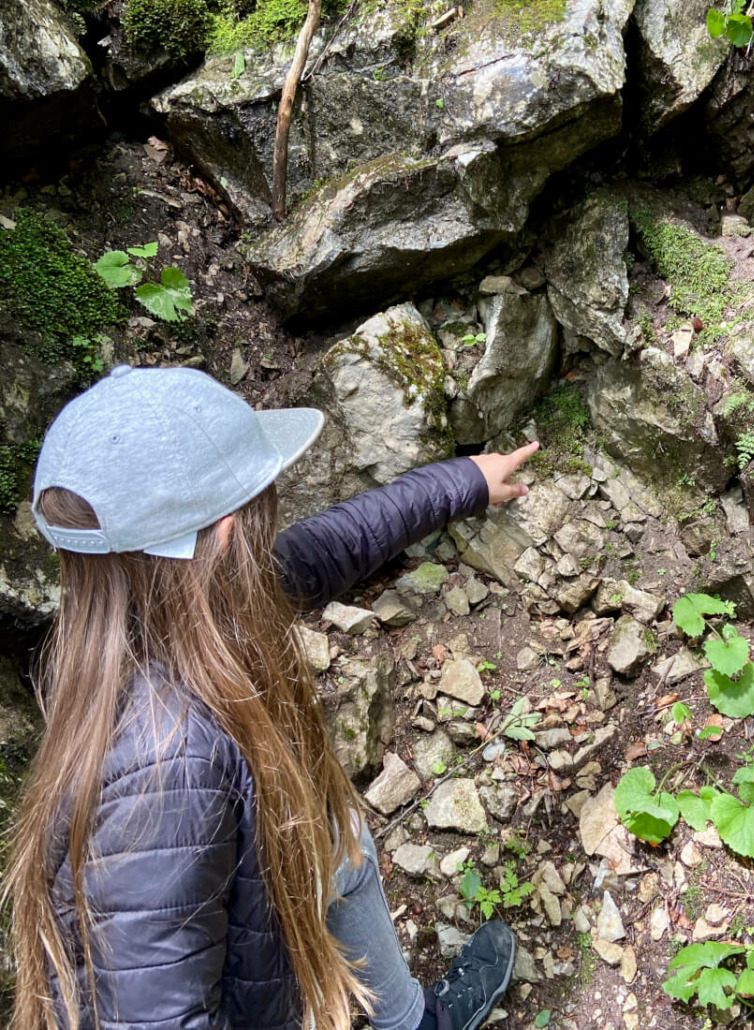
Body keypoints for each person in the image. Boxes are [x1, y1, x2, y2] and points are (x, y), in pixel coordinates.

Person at [5, 364, 540, 1030]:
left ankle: (412, 1022)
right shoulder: (164, 771)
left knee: (344, 844)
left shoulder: (148, 623)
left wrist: (461, 482)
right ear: (229, 534)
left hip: (280, 865)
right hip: (267, 985)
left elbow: (332, 546)